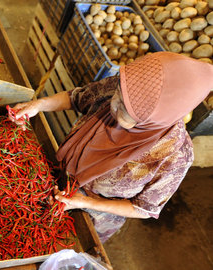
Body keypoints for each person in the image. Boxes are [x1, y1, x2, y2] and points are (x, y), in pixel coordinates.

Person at [11, 51, 213, 242]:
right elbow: (77, 97)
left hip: (93, 214)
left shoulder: (175, 155)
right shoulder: (123, 90)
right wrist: (39, 105)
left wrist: (87, 203)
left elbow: (144, 208)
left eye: (126, 110)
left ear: (157, 118)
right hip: (55, 178)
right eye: (118, 95)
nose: (114, 104)